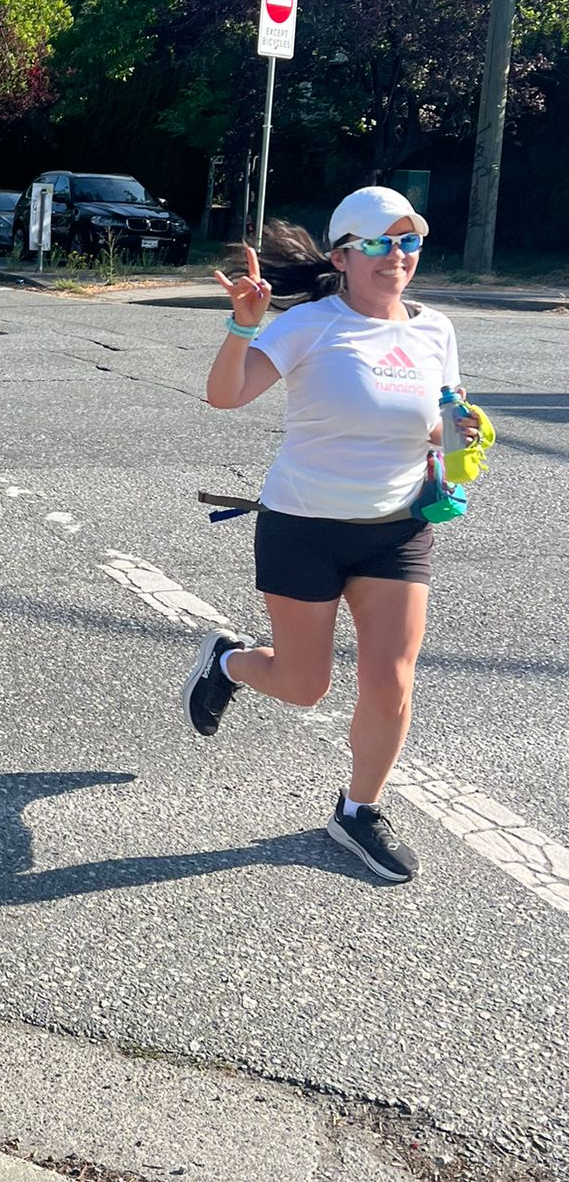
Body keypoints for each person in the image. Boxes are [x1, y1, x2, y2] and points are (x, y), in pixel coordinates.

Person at [181, 186, 483, 884]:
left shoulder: (434, 330)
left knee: (391, 683)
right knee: (303, 684)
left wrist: (457, 438)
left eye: (408, 242)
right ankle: (227, 661)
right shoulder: (312, 325)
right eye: (378, 243)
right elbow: (225, 396)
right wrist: (243, 327)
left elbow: (443, 418)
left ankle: (358, 811)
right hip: (303, 527)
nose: (396, 257)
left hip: (397, 531)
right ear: (345, 256)